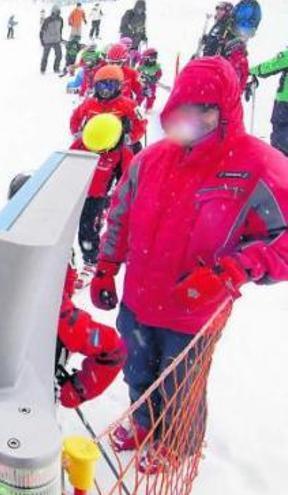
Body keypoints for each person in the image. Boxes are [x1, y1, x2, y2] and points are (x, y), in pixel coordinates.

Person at [91, 57, 288, 461]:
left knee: (181, 385)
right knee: (138, 372)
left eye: (206, 109)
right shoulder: (150, 160)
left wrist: (234, 270)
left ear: (226, 110)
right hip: (139, 301)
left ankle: (179, 443)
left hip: (193, 314)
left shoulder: (257, 165)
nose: (194, 118)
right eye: (186, 107)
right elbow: (120, 216)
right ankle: (144, 423)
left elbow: (282, 239)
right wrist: (106, 268)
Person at [0, 172, 127, 409]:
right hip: (23, 402)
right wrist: (75, 390)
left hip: (3, 398)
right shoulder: (64, 321)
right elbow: (112, 350)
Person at [69, 67, 146, 271]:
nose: (105, 90)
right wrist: (78, 133)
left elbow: (141, 123)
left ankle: (92, 255)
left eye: (110, 85)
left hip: (115, 153)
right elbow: (75, 118)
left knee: (115, 189)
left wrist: (129, 137)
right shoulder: (89, 104)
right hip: (91, 150)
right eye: (101, 85)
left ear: (119, 87)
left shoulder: (127, 105)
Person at [249, 47, 288, 156]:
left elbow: (270, 66)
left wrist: (252, 70)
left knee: (281, 133)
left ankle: (281, 166)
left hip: (285, 102)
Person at [105, 44, 145, 108]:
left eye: (118, 63)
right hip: (107, 107)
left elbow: (139, 91)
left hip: (124, 108)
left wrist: (136, 104)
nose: (115, 66)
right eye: (111, 63)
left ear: (124, 61)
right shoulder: (104, 72)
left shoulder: (131, 73)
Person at [40, 6, 65, 75]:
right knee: (45, 56)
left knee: (59, 55)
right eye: (57, 12)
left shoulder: (60, 19)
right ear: (53, 12)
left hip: (56, 40)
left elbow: (60, 30)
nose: (58, 13)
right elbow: (41, 31)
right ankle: (43, 69)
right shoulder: (47, 20)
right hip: (47, 41)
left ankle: (56, 68)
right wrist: (42, 41)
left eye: (59, 12)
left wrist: (60, 38)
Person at [138, 48, 163, 113]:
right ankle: (137, 104)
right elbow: (137, 71)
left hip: (152, 84)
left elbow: (159, 73)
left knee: (151, 96)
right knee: (141, 94)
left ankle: (149, 107)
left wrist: (155, 78)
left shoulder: (156, 66)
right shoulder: (142, 64)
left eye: (154, 58)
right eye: (150, 58)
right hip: (143, 83)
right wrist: (140, 76)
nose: (152, 60)